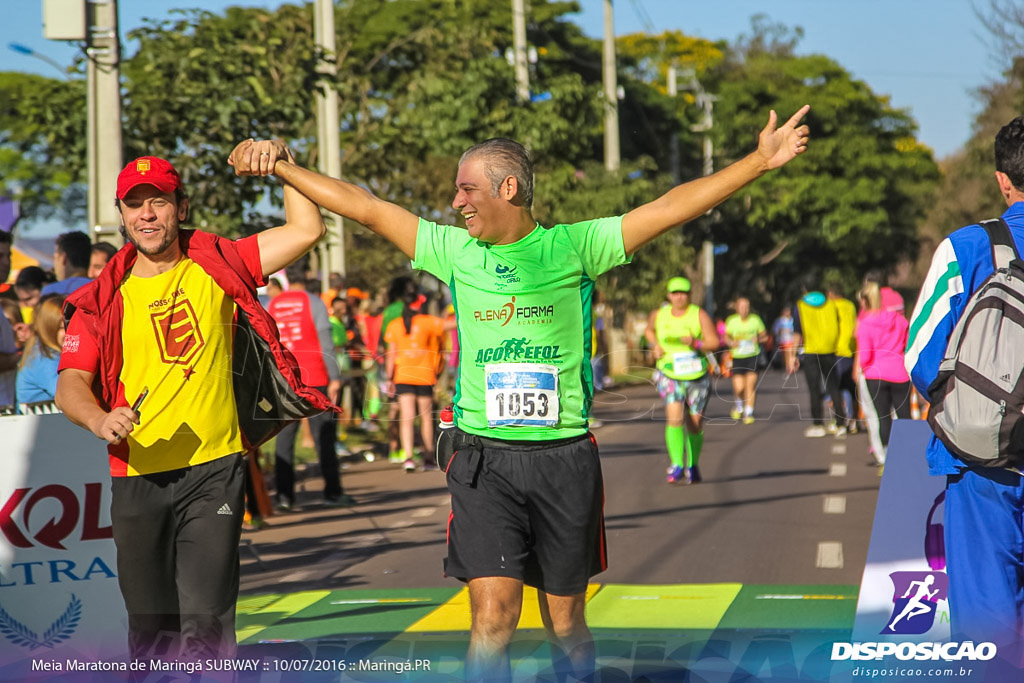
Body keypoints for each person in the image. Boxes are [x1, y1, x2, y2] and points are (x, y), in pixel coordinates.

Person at [239, 104, 809, 681]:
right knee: (493, 615)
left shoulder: (576, 246)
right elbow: (366, 207)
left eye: (467, 189)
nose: (457, 203)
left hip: (563, 460)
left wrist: (760, 162)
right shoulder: (454, 251)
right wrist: (285, 167)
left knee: (565, 623)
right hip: (483, 458)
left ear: (507, 188)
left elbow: (669, 207)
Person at [55, 145, 335, 661]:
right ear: (120, 215)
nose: (146, 214)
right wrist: (99, 418)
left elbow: (306, 231)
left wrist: (283, 165)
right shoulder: (101, 297)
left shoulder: (216, 259)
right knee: (151, 629)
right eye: (134, 204)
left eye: (158, 201)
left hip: (214, 470)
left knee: (206, 620)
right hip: (136, 475)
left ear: (180, 207)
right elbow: (72, 380)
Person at [906, 115, 1024, 658]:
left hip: (986, 467)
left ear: (1004, 181)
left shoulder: (968, 248)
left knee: (987, 619)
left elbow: (921, 358)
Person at [267, 261, 350, 509]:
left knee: (285, 437)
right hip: (315, 376)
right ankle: (332, 492)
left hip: (284, 379)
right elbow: (326, 343)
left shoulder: (274, 304)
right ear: (306, 274)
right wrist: (335, 376)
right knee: (324, 435)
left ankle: (284, 496)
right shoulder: (314, 302)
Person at [646, 277, 719, 483]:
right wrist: (655, 345)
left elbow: (714, 342)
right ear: (669, 295)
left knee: (695, 423)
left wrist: (695, 342)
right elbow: (649, 331)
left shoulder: (699, 314)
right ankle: (677, 464)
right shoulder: (659, 315)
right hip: (669, 373)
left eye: (684, 293)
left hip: (696, 375)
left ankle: (693, 464)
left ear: (689, 295)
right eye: (675, 293)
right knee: (675, 418)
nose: (679, 297)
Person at [383, 284, 447, 472]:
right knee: (426, 418)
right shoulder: (428, 321)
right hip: (425, 374)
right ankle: (428, 458)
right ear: (419, 305)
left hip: (402, 375)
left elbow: (391, 355)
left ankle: (408, 458)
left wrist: (389, 379)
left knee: (406, 418)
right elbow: (448, 325)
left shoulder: (395, 325)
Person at [853, 282, 911, 466]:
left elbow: (865, 356)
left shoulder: (865, 324)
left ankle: (888, 459)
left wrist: (863, 367)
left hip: (875, 374)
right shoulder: (899, 320)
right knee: (905, 416)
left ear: (864, 301)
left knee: (882, 417)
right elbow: (907, 344)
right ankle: (909, 456)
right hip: (900, 372)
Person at [790, 279, 846, 437]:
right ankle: (841, 424)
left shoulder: (801, 306)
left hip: (811, 351)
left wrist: (793, 355)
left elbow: (797, 332)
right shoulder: (830, 304)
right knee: (833, 387)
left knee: (814, 389)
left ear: (804, 289)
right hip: (830, 350)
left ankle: (818, 424)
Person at [723, 297, 768, 424]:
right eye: (742, 307)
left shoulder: (755, 320)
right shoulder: (732, 321)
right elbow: (726, 337)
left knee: (750, 385)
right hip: (737, 357)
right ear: (737, 308)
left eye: (746, 307)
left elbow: (765, 336)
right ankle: (738, 405)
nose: (744, 310)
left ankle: (748, 413)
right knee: (739, 388)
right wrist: (731, 342)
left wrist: (758, 340)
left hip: (752, 356)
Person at [16, 293, 64, 407]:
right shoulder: (44, 357)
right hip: (40, 422)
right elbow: (70, 395)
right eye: (63, 328)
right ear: (49, 328)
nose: (72, 333)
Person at [825, 274, 859, 433]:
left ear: (830, 294)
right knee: (852, 388)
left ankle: (840, 421)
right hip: (851, 349)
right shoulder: (850, 305)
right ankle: (854, 421)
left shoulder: (830, 306)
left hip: (836, 350)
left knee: (836, 388)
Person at [42, 230, 93, 296]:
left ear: (63, 258)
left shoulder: (51, 292)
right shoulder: (102, 289)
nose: (54, 266)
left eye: (55, 258)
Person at [772, 306, 796, 373]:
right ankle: (787, 366)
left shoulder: (792, 319)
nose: (787, 313)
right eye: (786, 311)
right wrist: (781, 331)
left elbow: (795, 329)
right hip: (783, 339)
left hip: (791, 339)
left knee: (790, 352)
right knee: (785, 354)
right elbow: (775, 331)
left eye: (788, 311)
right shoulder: (780, 320)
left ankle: (790, 367)